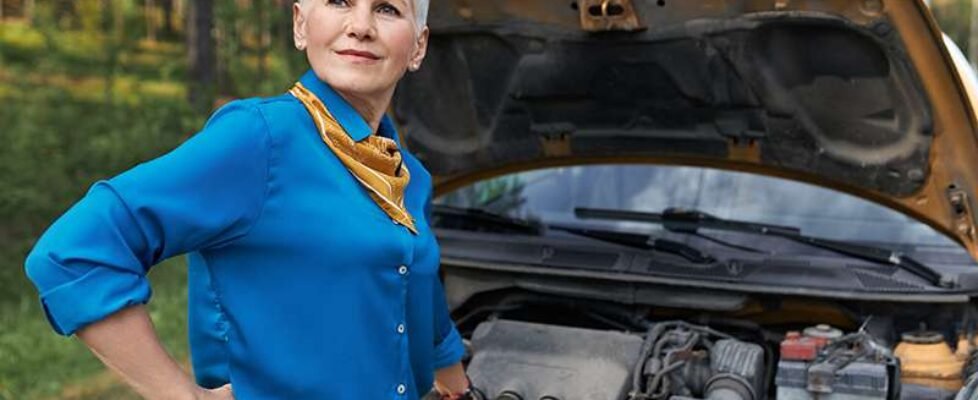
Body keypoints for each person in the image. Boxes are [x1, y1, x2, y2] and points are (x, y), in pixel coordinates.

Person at [23, 0, 475, 398]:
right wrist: (180, 395)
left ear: (417, 47)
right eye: (339, 1)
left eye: (387, 9)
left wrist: (458, 388)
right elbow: (74, 252)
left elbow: (416, 291)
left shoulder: (407, 175)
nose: (360, 25)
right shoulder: (259, 140)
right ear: (301, 24)